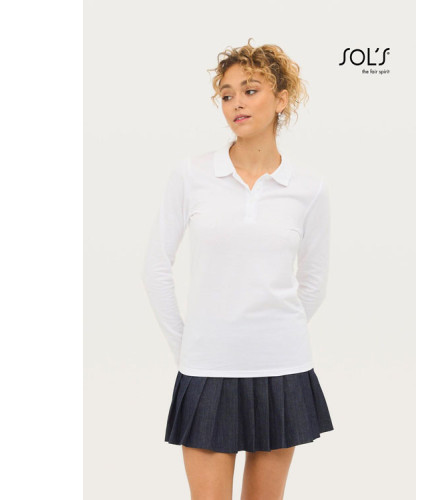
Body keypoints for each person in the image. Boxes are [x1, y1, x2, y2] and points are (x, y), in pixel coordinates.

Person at [142, 38, 334, 500]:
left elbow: (313, 282)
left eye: (250, 91)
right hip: (207, 367)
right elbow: (155, 267)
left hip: (282, 367)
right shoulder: (191, 175)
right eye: (227, 95)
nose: (236, 104)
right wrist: (188, 347)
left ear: (281, 100)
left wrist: (272, 331)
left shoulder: (309, 188)